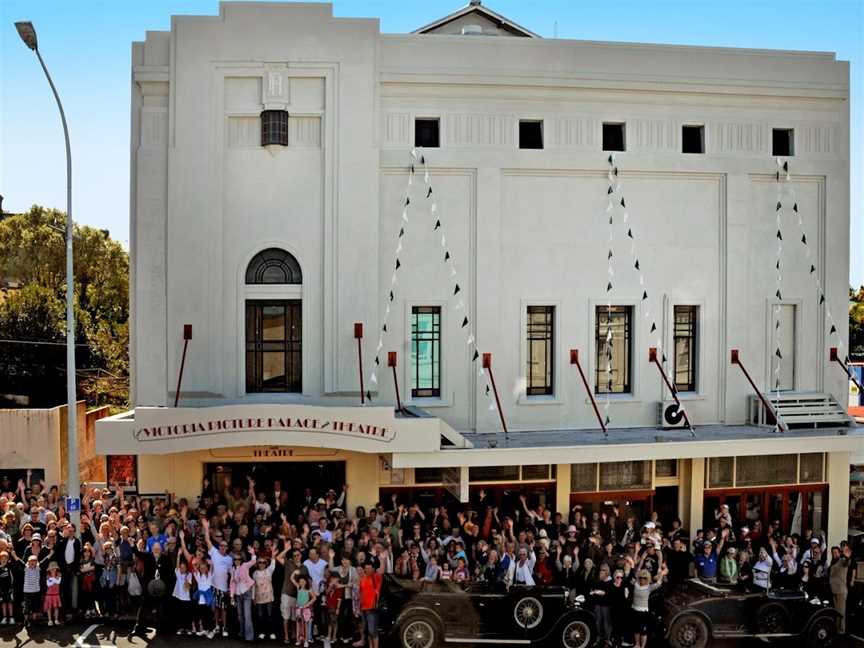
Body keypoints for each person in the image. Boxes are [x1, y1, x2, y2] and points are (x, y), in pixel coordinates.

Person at [253, 554, 277, 640]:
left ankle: (271, 632)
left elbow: (273, 563)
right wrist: (253, 598)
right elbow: (254, 586)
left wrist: (273, 555)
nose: (262, 564)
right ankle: (262, 632)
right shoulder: (255, 573)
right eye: (260, 562)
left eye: (264, 562)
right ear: (257, 564)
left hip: (269, 597)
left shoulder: (269, 570)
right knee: (260, 616)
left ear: (266, 564)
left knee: (270, 615)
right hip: (259, 598)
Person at [358, 562, 382, 648]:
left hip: (372, 608)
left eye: (369, 568)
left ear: (372, 569)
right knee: (368, 630)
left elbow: (381, 571)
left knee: (373, 631)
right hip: (363, 608)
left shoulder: (375, 577)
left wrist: (381, 559)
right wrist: (359, 607)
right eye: (366, 568)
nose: (367, 570)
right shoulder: (362, 579)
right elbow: (361, 593)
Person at [295, 575, 316, 647]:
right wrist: (294, 573)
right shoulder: (298, 588)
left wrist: (307, 604)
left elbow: (314, 598)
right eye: (300, 582)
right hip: (298, 609)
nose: (301, 583)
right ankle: (299, 639)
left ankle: (306, 640)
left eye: (303, 581)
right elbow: (292, 579)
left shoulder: (309, 589)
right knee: (299, 625)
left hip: (305, 610)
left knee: (306, 625)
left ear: (306, 582)